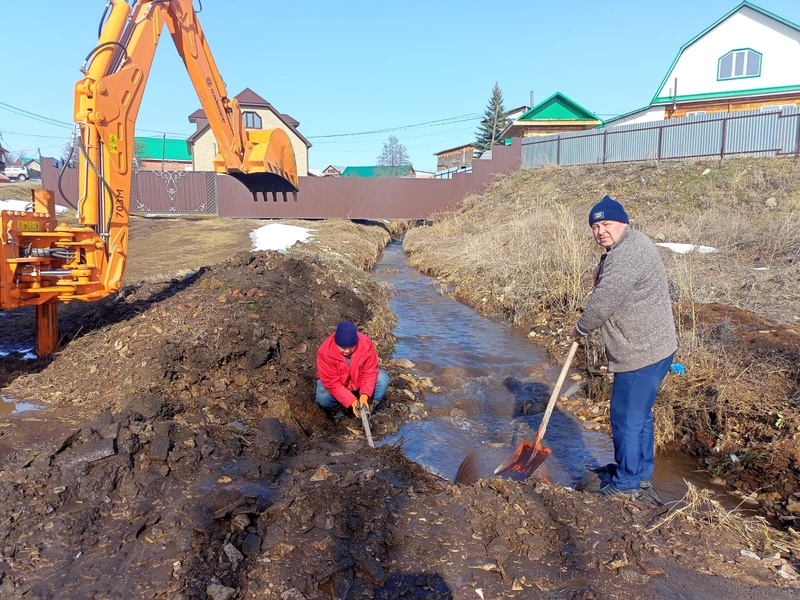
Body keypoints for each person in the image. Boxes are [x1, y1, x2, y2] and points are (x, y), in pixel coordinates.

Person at [570, 195, 677, 499]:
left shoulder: (625, 255)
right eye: (595, 226)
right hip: (658, 346)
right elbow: (612, 277)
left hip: (639, 350)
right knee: (640, 415)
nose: (600, 230)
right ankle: (640, 475)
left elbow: (603, 302)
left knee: (626, 418)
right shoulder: (632, 243)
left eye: (607, 224)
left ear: (623, 223)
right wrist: (601, 268)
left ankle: (627, 485)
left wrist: (580, 329)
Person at [316, 321, 390, 417]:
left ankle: (369, 407)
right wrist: (352, 402)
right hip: (340, 385)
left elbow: (370, 372)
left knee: (382, 379)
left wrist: (364, 396)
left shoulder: (366, 344)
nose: (347, 351)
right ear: (336, 342)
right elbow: (332, 383)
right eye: (342, 347)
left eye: (351, 347)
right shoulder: (325, 351)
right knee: (323, 397)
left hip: (359, 384)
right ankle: (341, 411)